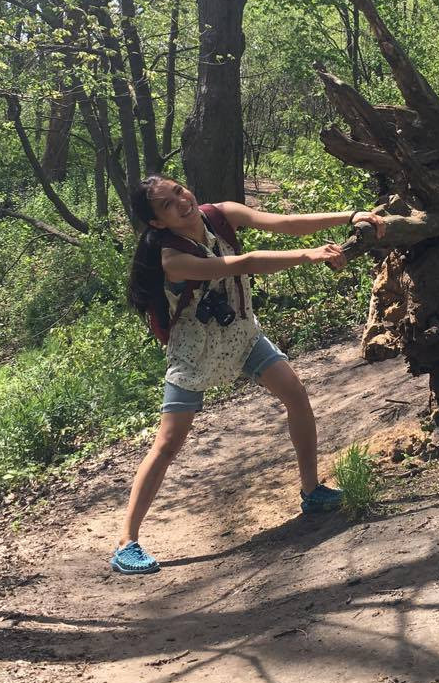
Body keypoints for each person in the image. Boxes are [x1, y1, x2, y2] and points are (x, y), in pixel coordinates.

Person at [111, 173, 384, 574]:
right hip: (195, 352)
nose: (183, 201)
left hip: (241, 334)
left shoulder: (219, 215)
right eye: (168, 204)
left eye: (180, 191)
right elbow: (242, 263)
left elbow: (283, 223)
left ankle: (311, 490)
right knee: (168, 445)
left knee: (295, 393)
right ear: (157, 222)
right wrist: (309, 255)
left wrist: (352, 215)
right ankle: (126, 542)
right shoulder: (173, 259)